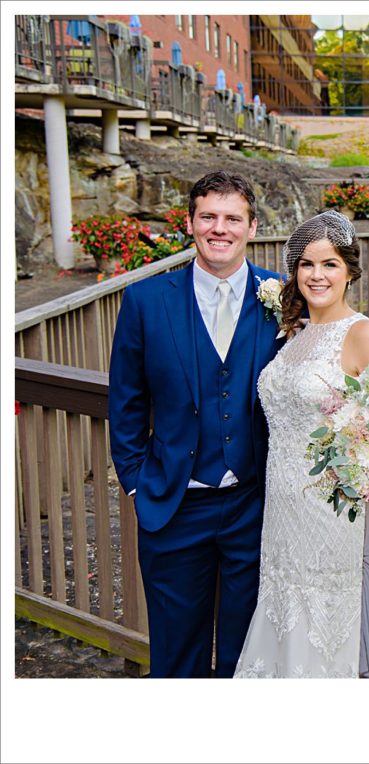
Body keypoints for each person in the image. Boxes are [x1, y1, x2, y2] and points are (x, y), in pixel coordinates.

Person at [235, 210, 369, 678]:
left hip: (332, 512)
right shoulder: (293, 334)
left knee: (327, 625)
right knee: (282, 604)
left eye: (330, 264)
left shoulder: (364, 334)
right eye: (307, 264)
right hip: (282, 509)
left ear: (350, 270)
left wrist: (365, 470)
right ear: (294, 272)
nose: (317, 275)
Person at [108, 171, 285, 677]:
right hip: (174, 505)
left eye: (233, 218)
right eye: (208, 216)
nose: (219, 228)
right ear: (190, 223)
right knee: (176, 655)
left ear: (252, 227)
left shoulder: (283, 296)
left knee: (245, 654)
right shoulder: (145, 301)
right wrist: (139, 484)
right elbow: (126, 402)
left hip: (254, 508)